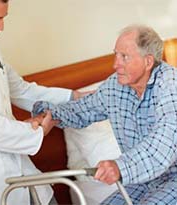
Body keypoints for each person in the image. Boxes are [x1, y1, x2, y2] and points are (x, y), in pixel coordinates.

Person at [32, 25, 177, 205]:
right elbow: (83, 109)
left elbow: (162, 145)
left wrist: (120, 167)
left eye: (124, 57)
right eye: (115, 55)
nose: (115, 65)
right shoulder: (116, 86)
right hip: (141, 181)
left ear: (148, 62)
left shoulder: (170, 86)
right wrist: (49, 114)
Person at [0, 0, 91, 204]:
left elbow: (21, 89)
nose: (2, 26)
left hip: (20, 166)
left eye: (3, 17)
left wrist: (72, 97)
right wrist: (37, 131)